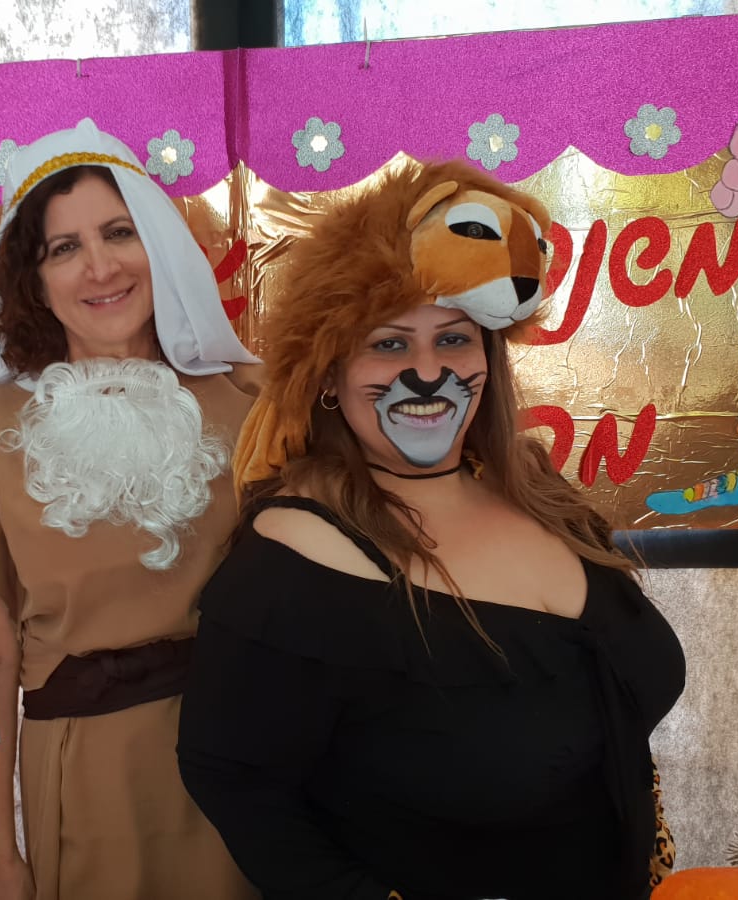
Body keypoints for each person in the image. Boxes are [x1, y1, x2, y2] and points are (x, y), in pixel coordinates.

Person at [176, 159, 686, 900]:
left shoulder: (542, 496)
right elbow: (234, 779)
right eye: (388, 344)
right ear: (329, 373)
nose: (426, 371)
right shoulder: (295, 553)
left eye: (453, 340)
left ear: (489, 357)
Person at [0, 118, 260, 900]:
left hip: (245, 760)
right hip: (86, 776)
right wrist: (0, 856)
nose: (100, 266)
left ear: (159, 244)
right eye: (64, 247)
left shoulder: (248, 404)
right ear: (33, 279)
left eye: (119, 233)